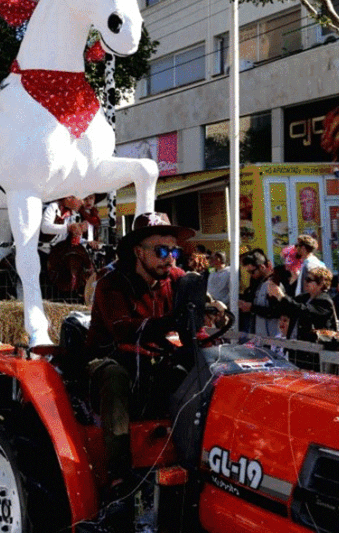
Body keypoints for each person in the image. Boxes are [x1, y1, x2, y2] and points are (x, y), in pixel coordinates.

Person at [85, 212, 221, 529]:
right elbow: (123, 329)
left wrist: (203, 320)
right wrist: (170, 323)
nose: (169, 258)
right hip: (108, 358)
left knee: (200, 371)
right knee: (114, 376)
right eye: (161, 251)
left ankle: (196, 459)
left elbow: (189, 320)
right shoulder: (112, 284)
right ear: (139, 251)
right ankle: (118, 477)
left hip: (153, 355)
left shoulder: (174, 279)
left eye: (174, 251)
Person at [267, 265, 337, 343]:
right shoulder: (303, 297)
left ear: (321, 284)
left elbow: (304, 310)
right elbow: (284, 309)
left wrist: (281, 296)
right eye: (305, 279)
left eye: (309, 280)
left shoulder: (325, 301)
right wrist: (273, 296)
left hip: (316, 349)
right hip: (298, 346)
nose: (305, 282)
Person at [238, 250, 274, 336]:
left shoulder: (274, 284)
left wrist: (251, 308)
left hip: (272, 337)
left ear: (262, 267)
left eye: (252, 272)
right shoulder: (259, 281)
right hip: (260, 334)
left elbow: (275, 312)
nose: (251, 275)